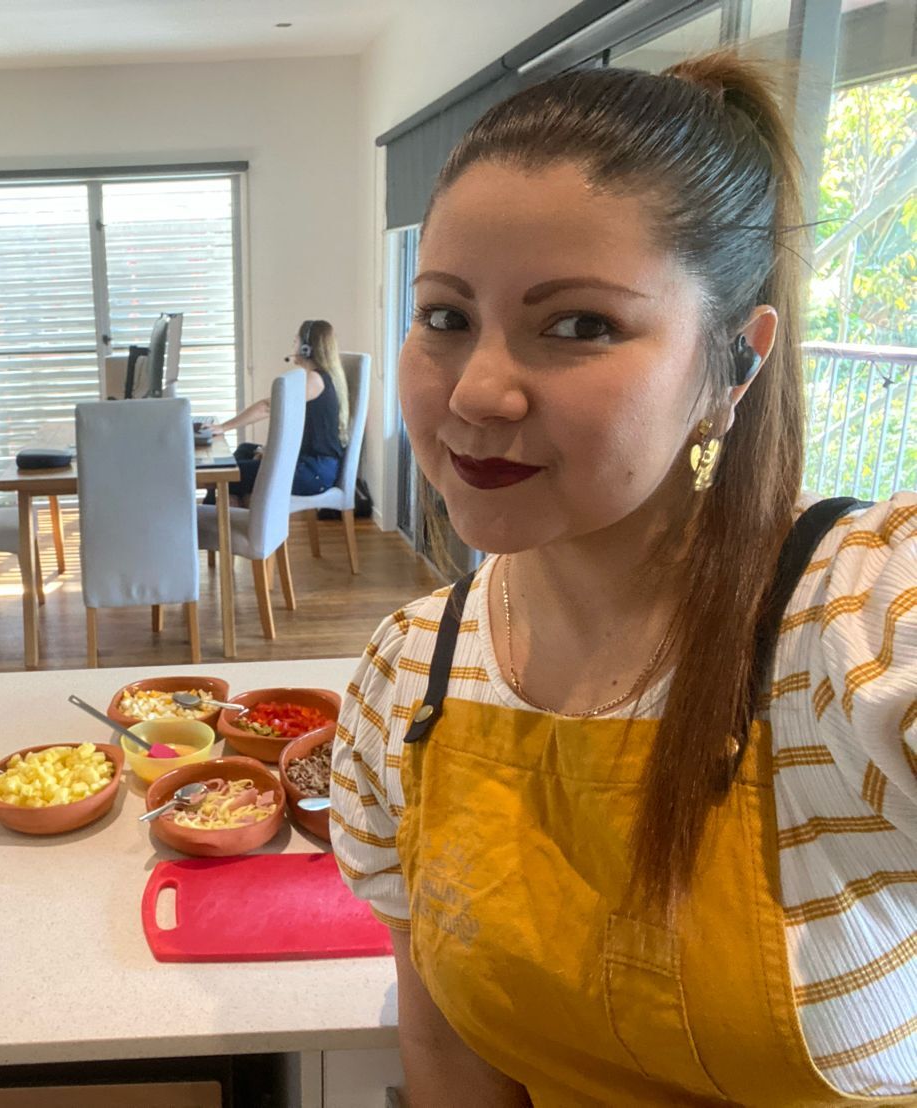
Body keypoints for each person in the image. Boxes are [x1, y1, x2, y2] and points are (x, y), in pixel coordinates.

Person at [332, 53, 916, 1105]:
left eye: (579, 325)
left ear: (732, 362)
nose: (476, 389)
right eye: (445, 315)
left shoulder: (860, 622)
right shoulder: (407, 676)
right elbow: (452, 1056)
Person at [204, 320, 350, 504]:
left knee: (223, 476)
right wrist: (269, 451)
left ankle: (214, 523)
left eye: (295, 341)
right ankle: (234, 515)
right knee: (244, 450)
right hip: (310, 465)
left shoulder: (314, 380)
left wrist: (223, 427)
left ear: (306, 348)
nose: (293, 346)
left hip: (313, 472)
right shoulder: (319, 378)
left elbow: (268, 407)